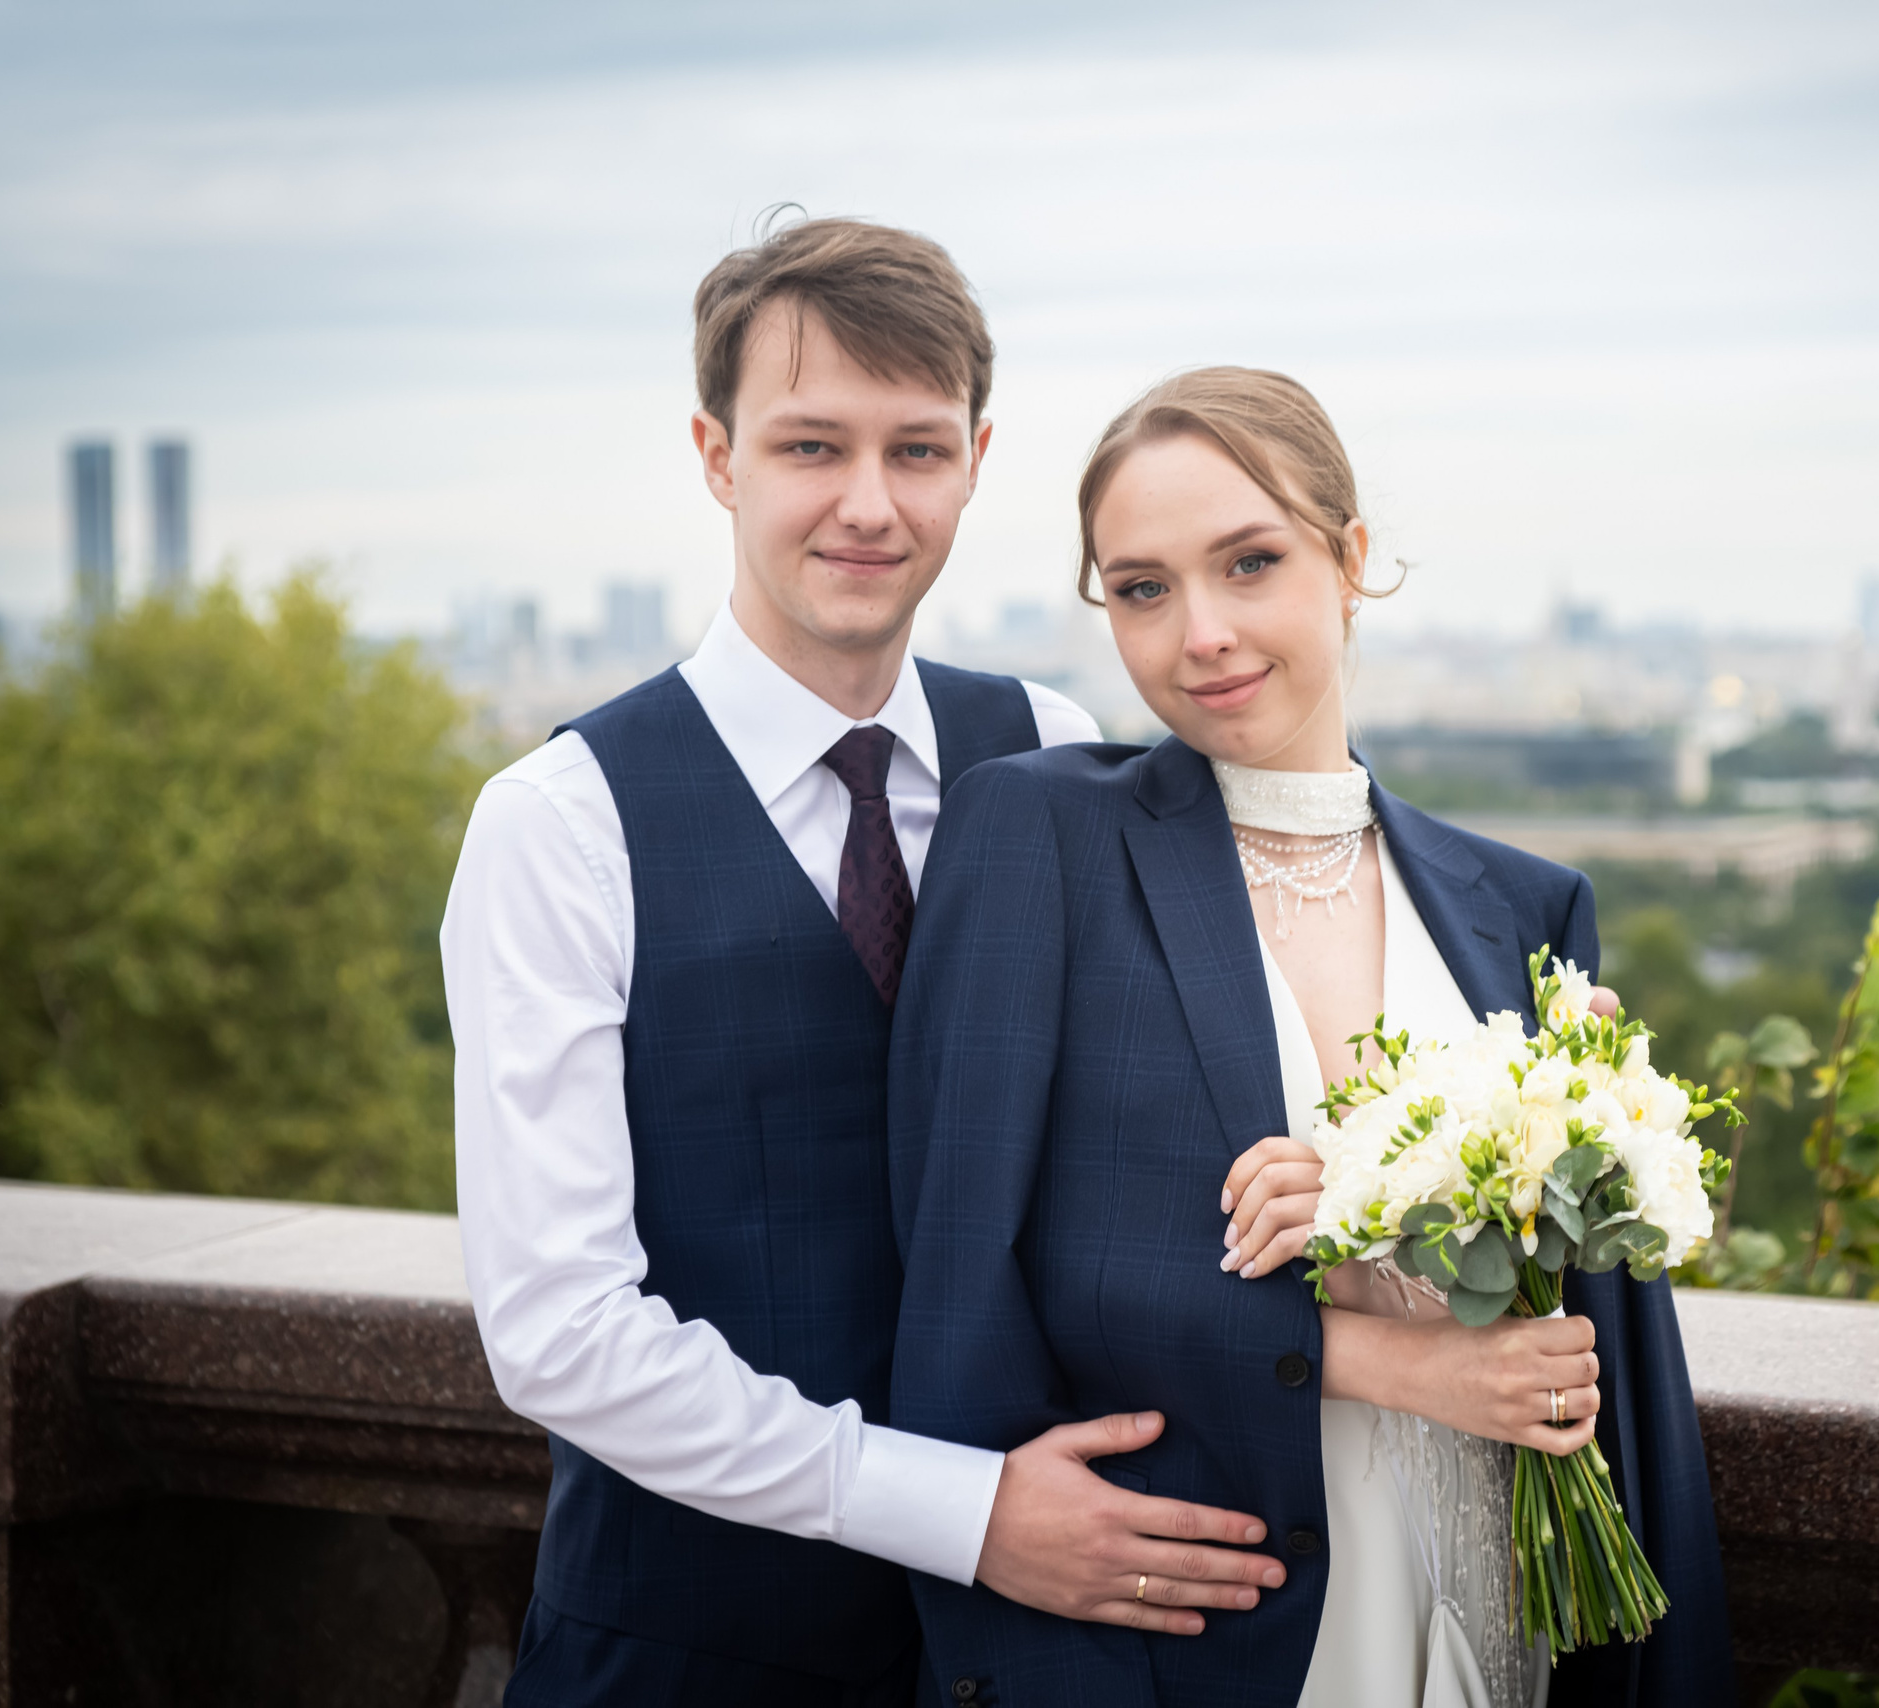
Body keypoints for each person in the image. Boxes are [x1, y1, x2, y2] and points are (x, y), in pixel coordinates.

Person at [442, 222, 1287, 1708]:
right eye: (810, 446)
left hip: (1029, 1667)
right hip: (680, 1658)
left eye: (917, 450)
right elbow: (562, 1334)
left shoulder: (1041, 742)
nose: (868, 505)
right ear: (717, 456)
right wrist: (961, 1515)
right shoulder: (559, 826)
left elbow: (1190, 1097)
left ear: (976, 457)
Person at [887, 367, 1732, 1707]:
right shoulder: (1039, 836)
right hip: (1188, 1639)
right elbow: (995, 1276)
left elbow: (1600, 1333)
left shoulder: (1522, 907)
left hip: (1489, 1596)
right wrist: (1407, 1356)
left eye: (1250, 562)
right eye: (1144, 589)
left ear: (1348, 563)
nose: (1203, 632)